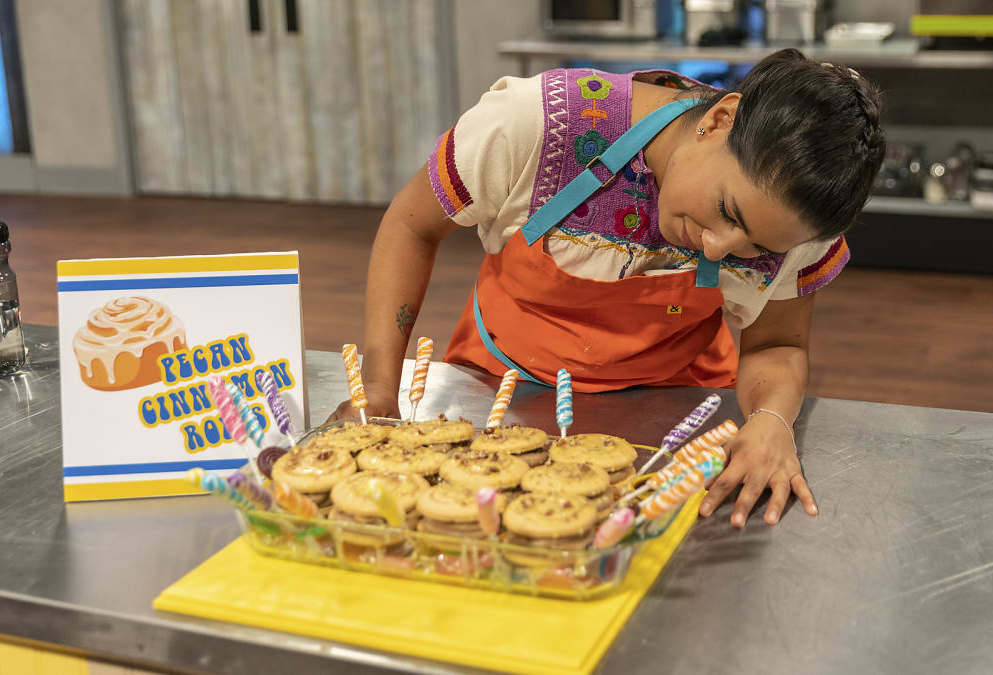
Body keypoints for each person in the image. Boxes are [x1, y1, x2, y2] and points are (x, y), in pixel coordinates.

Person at [331, 49, 885, 528]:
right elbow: (411, 226)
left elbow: (774, 346)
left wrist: (770, 421)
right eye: (725, 211)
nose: (718, 247)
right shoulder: (536, 126)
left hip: (676, 403)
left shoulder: (797, 226)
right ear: (719, 120)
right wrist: (378, 391)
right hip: (502, 388)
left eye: (751, 246)